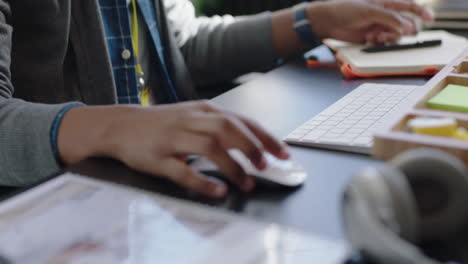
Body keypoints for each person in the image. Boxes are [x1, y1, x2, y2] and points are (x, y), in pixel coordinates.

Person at [0, 0, 432, 198]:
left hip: (168, 192)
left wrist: (313, 20)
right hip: (57, 209)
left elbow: (182, 46)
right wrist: (116, 127)